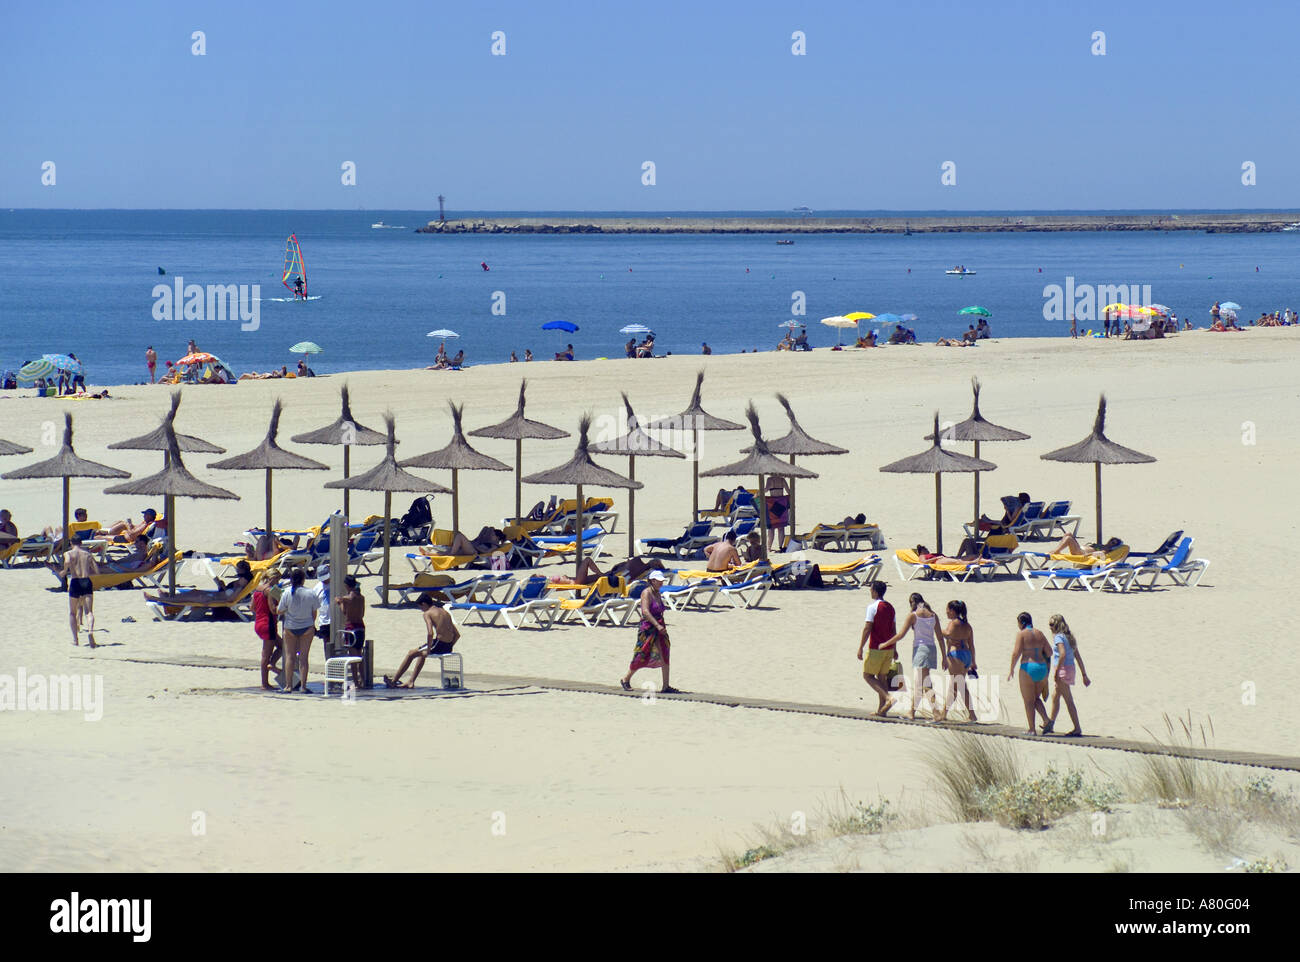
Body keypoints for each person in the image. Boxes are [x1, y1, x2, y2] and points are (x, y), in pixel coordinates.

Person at [385, 593, 460, 689]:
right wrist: (449, 646)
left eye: (420, 607)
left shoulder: (427, 613)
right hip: (448, 646)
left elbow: (430, 633)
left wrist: (429, 650)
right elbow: (457, 635)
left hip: (438, 644)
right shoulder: (445, 612)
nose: (421, 609)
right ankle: (411, 681)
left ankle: (393, 681)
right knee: (420, 653)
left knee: (410, 653)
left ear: (424, 604)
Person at [620, 570, 678, 693]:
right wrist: (657, 625)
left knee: (665, 652)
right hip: (648, 628)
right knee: (641, 654)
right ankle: (625, 679)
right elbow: (645, 612)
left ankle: (666, 686)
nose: (661, 583)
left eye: (662, 581)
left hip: (659, 627)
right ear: (652, 581)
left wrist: (660, 626)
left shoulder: (657, 593)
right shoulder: (646, 593)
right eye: (659, 581)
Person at [885, 593, 941, 720]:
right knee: (920, 683)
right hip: (932, 649)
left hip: (920, 650)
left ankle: (935, 713)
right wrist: (943, 655)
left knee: (923, 683)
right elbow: (940, 637)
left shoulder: (914, 615)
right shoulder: (933, 615)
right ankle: (912, 712)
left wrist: (885, 644)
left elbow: (900, 635)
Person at [1042, 614, 1090, 736]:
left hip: (1062, 670)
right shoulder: (1069, 637)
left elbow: (1062, 654)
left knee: (1068, 700)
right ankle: (1050, 724)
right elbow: (1078, 657)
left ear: (1057, 625)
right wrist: (1084, 674)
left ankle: (1077, 728)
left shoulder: (1058, 637)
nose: (1050, 627)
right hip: (1070, 669)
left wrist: (1057, 672)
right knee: (1055, 696)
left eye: (1052, 624)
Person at [1007, 612, 1053, 735]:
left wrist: (1011, 669)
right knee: (1035, 698)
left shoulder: (1021, 634)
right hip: (1042, 668)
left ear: (1021, 623)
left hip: (1028, 667)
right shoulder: (1040, 633)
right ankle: (1046, 720)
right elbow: (1049, 652)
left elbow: (1016, 653)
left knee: (1028, 701)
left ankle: (1032, 729)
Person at [856, 581, 898, 715]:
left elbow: (867, 628)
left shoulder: (873, 607)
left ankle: (888, 698)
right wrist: (895, 648)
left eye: (871, 589)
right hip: (889, 648)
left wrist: (860, 647)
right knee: (882, 677)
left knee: (867, 676)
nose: (870, 591)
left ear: (875, 591)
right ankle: (882, 710)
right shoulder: (891, 607)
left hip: (876, 648)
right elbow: (893, 630)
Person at [277, 568, 321, 693]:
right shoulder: (310, 593)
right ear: (303, 579)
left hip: (290, 627)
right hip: (306, 627)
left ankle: (288, 685)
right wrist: (311, 625)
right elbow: (314, 612)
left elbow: (279, 611)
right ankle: (303, 686)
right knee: (303, 657)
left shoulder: (286, 593)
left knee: (290, 656)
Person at [935, 600, 977, 722]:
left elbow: (947, 634)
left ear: (953, 611)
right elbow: (972, 645)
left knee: (961, 686)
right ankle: (944, 714)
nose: (946, 612)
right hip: (967, 655)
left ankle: (972, 715)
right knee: (954, 686)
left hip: (956, 655)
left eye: (947, 609)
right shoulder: (968, 625)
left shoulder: (953, 623)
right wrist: (973, 661)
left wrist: (937, 628)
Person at [60, 542, 98, 647]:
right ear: (81, 543)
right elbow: (96, 570)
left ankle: (75, 640)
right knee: (89, 612)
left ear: (71, 543)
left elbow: (67, 561)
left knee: (72, 612)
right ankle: (90, 631)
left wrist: (64, 570)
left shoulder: (68, 553)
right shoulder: (87, 554)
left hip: (75, 581)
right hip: (86, 581)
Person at [335, 575, 367, 689]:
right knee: (360, 655)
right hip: (361, 627)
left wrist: (340, 603)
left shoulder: (346, 598)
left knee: (353, 657)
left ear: (346, 586)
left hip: (351, 627)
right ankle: (363, 680)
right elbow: (362, 613)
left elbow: (344, 612)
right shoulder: (361, 597)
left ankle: (356, 682)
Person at [254, 575, 283, 691]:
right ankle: (265, 683)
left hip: (259, 622)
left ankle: (271, 665)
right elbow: (273, 609)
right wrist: (282, 605)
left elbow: (252, 607)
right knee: (266, 654)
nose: (278, 582)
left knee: (283, 646)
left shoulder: (258, 588)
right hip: (268, 623)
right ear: (273, 578)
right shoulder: (270, 590)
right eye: (277, 579)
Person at [765, 477, 790, 549]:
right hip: (782, 503)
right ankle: (780, 547)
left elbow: (766, 489)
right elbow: (788, 491)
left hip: (773, 503)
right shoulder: (782, 479)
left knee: (771, 528)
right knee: (781, 528)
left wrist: (758, 493)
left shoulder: (770, 479)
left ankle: (769, 547)